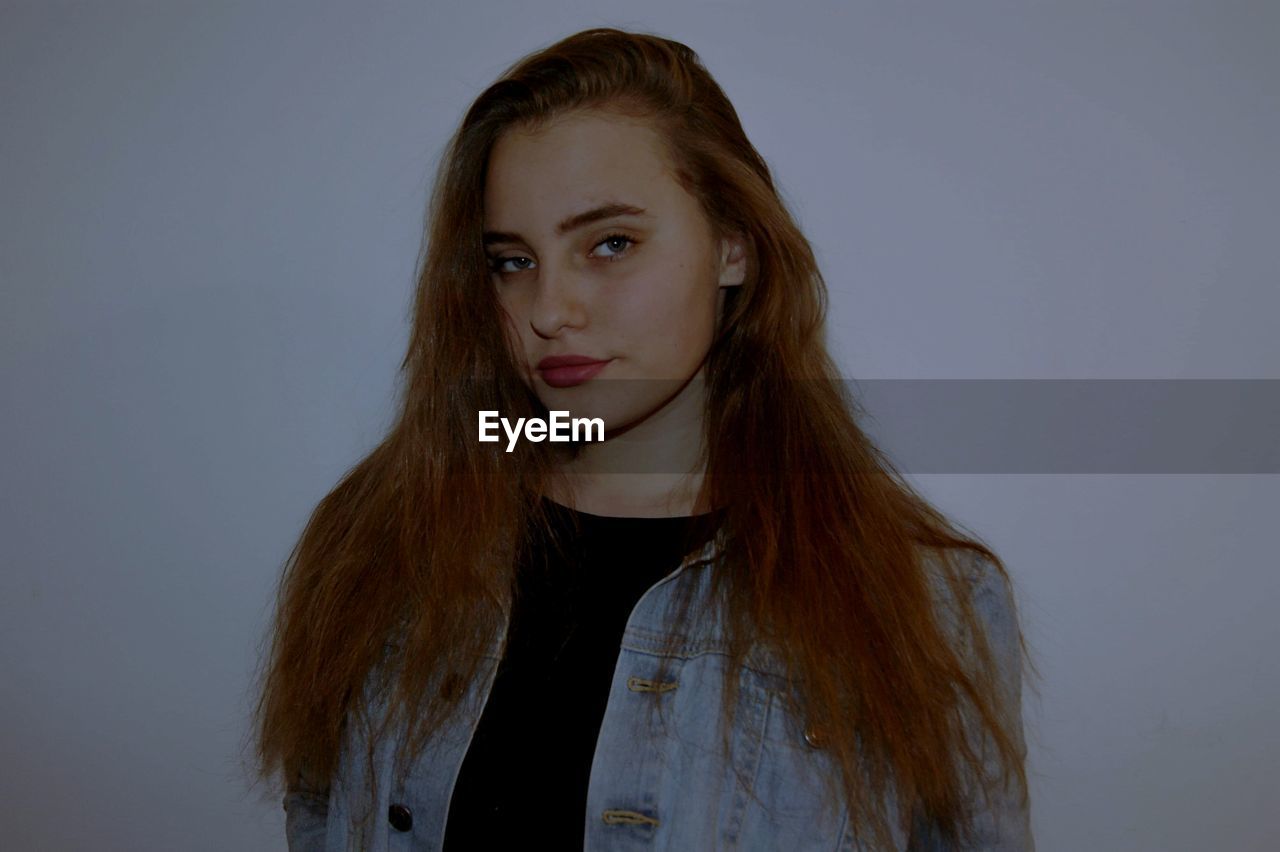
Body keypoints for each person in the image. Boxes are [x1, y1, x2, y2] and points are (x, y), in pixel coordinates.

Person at [250, 27, 1036, 851]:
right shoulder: (377, 546)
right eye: (513, 261)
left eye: (610, 244)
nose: (549, 309)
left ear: (732, 246)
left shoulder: (920, 597)